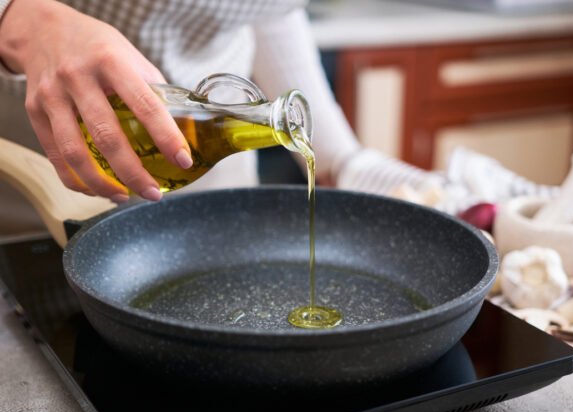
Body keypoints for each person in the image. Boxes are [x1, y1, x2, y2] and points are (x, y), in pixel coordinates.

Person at [0, 0, 436, 236]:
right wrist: (22, 18)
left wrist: (342, 158)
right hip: (35, 181)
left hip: (205, 185)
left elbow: (269, 10)